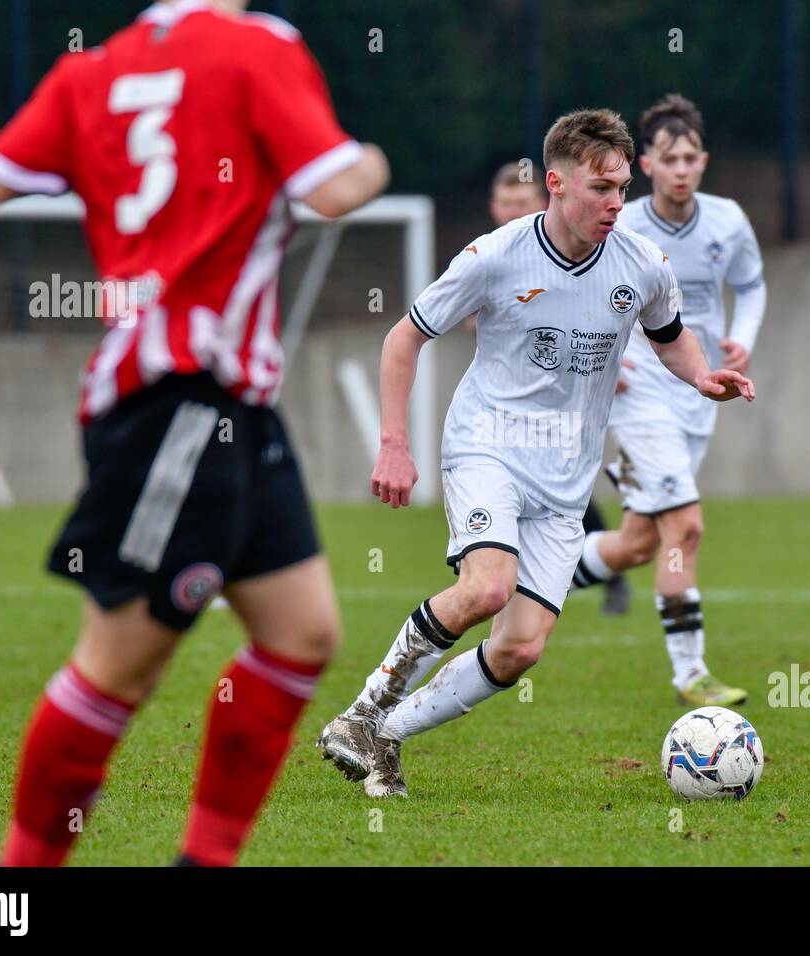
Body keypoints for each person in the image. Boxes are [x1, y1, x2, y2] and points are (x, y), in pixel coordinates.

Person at [0, 0, 389, 866]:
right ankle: (15, 880)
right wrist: (375, 159)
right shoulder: (258, 47)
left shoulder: (92, 70)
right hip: (176, 407)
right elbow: (336, 188)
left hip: (231, 409)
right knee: (120, 664)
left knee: (301, 633)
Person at [317, 108, 754, 798]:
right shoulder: (495, 256)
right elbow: (404, 337)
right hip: (488, 445)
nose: (615, 203)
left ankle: (389, 734)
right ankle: (363, 709)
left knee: (520, 648)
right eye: (599, 189)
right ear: (555, 183)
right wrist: (394, 445)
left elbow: (669, 336)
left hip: (566, 479)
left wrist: (700, 376)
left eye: (619, 189)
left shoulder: (641, 263)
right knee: (486, 587)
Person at [569, 94, 766, 708]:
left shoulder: (728, 221)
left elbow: (753, 287)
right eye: (667, 158)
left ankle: (531, 575)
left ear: (702, 161)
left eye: (690, 158)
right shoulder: (620, 224)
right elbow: (586, 293)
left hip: (698, 390)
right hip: (641, 395)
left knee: (638, 544)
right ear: (647, 166)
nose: (680, 168)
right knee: (686, 525)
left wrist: (743, 339)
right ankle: (691, 674)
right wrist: (611, 357)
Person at [482, 161, 631, 615]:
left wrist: (605, 366)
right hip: (514, 400)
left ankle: (605, 573)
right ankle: (505, 573)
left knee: (570, 489)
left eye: (519, 203)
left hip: (571, 402)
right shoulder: (490, 255)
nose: (511, 211)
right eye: (504, 203)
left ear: (542, 200)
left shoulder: (580, 252)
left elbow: (598, 313)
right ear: (493, 207)